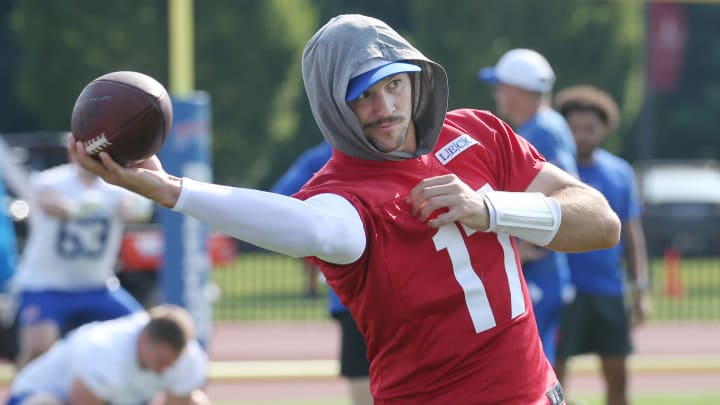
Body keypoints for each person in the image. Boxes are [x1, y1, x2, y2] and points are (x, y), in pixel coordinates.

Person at [69, 14, 621, 404]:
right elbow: (304, 226)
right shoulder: (342, 194)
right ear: (334, 105)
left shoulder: (478, 133)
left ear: (415, 79)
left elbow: (601, 221)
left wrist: (490, 208)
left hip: (536, 392)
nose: (383, 109)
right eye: (361, 95)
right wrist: (173, 192)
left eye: (393, 86)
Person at [478, 48, 578, 365]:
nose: (498, 94)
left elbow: (562, 193)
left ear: (516, 90)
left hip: (540, 269)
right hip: (545, 268)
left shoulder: (541, 130)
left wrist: (528, 244)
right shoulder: (546, 126)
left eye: (501, 86)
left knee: (530, 365)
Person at [553, 85, 651, 405]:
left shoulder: (620, 173)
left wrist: (640, 288)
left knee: (618, 379)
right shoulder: (552, 173)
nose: (581, 135)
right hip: (565, 292)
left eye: (589, 128)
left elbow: (632, 234)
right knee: (554, 381)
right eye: (574, 128)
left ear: (604, 129)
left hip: (609, 291)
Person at [11, 157, 153, 368]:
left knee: (145, 337)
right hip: (46, 286)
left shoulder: (117, 188)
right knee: (39, 349)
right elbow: (49, 203)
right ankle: (21, 396)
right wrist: (79, 208)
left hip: (98, 287)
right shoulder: (51, 180)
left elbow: (135, 209)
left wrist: (132, 202)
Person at [271, 140, 372, 405]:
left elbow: (278, 206)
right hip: (377, 294)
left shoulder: (322, 156)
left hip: (359, 297)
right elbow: (280, 206)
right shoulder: (406, 148)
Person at [6, 304, 209, 405]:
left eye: (172, 362)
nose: (168, 368)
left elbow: (183, 401)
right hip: (37, 397)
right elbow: (80, 400)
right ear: (143, 340)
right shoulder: (105, 349)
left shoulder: (184, 358)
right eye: (162, 361)